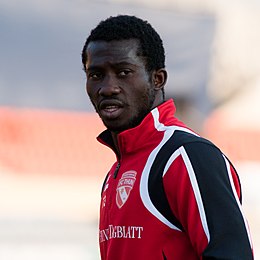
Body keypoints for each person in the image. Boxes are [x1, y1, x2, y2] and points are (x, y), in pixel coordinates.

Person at [81, 15, 253, 259]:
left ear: (157, 79)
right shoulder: (115, 173)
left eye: (124, 72)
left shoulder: (187, 156)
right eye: (96, 74)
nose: (108, 87)